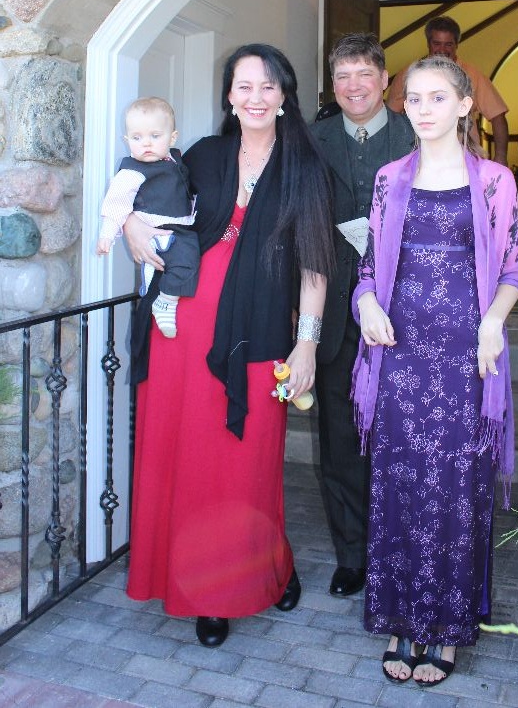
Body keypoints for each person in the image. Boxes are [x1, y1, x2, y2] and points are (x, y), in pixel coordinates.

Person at [123, 44, 335, 648]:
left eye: (267, 85)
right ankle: (203, 590)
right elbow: (145, 191)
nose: (256, 97)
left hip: (258, 331)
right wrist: (130, 223)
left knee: (245, 463)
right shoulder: (203, 154)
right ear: (229, 97)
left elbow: (314, 264)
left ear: (285, 94)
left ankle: (265, 568)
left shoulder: (306, 168)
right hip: (181, 330)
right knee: (187, 459)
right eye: (244, 86)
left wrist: (306, 345)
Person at [352, 56, 518, 687]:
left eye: (437, 98)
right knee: (399, 482)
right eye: (414, 99)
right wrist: (367, 304)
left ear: (464, 106)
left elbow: (513, 271)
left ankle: (448, 628)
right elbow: (369, 268)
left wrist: (493, 322)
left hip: (465, 357)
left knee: (456, 486)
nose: (422, 109)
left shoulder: (494, 181)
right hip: (399, 354)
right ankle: (401, 619)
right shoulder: (388, 178)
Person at [310, 33, 415, 598]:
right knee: (340, 435)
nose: (353, 86)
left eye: (364, 75)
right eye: (343, 76)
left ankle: (400, 545)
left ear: (384, 79)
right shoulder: (313, 138)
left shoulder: (413, 132)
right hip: (330, 309)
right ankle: (352, 554)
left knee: (401, 433)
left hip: (403, 311)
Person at [96, 96, 199, 338]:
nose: (146, 144)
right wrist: (106, 235)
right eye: (137, 138)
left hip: (178, 227)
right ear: (127, 140)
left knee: (188, 260)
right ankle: (165, 301)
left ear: (172, 138)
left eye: (155, 136)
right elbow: (116, 204)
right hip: (154, 230)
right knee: (184, 261)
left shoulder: (174, 159)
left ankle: (164, 295)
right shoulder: (132, 172)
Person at [386, 16, 510, 165]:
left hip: (465, 160)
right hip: (419, 159)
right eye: (437, 43)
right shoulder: (408, 75)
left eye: (448, 44)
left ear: (457, 45)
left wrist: (501, 157)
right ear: (428, 44)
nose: (442, 50)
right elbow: (390, 118)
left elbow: (498, 116)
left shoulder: (473, 75)